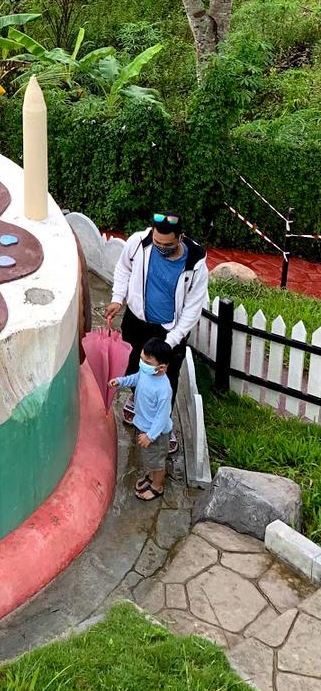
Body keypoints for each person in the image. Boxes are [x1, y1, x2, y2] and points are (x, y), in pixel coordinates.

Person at [105, 210, 208, 457]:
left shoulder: (195, 264)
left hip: (170, 330)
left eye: (168, 244)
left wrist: (170, 342)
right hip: (137, 320)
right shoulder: (139, 242)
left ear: (181, 237)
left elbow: (193, 309)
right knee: (131, 366)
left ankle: (162, 426)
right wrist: (118, 298)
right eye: (157, 242)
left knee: (166, 379)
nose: (161, 247)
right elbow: (123, 269)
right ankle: (137, 398)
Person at [111, 338, 174, 501]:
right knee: (150, 458)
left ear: (162, 367)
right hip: (144, 426)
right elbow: (135, 378)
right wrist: (121, 381)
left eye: (147, 361)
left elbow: (162, 417)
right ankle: (151, 476)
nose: (142, 363)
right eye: (141, 359)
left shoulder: (163, 389)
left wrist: (150, 436)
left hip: (156, 434)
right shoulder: (146, 373)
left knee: (157, 462)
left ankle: (157, 486)